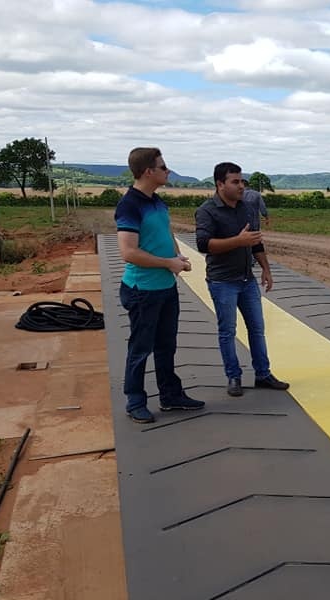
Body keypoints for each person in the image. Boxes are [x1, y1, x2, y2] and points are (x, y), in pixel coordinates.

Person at [115, 147, 204, 423]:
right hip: (143, 290)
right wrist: (168, 264)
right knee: (141, 347)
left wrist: (176, 256)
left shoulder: (156, 201)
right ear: (147, 172)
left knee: (167, 344)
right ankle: (135, 401)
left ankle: (170, 395)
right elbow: (128, 253)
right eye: (163, 167)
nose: (168, 171)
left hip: (164, 287)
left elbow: (166, 231)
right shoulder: (130, 205)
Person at [195, 162, 289, 397]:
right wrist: (238, 241)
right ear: (220, 184)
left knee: (257, 329)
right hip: (222, 281)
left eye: (242, 181)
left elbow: (255, 241)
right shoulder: (206, 211)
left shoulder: (246, 207)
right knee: (227, 330)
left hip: (247, 279)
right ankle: (233, 376)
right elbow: (204, 245)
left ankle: (263, 374)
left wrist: (266, 268)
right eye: (235, 181)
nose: (241, 186)